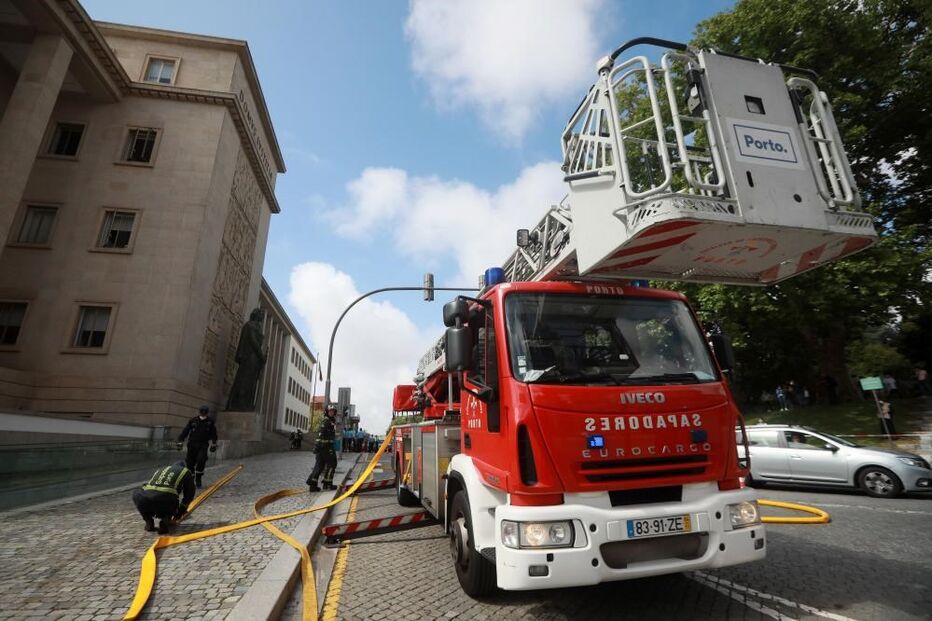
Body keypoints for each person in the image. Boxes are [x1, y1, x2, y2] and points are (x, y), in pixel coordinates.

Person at [132, 460, 195, 534]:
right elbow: (189, 495)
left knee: (138, 495)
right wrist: (179, 514)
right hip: (165, 500)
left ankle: (148, 520)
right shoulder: (186, 471)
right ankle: (165, 521)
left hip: (144, 499)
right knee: (171, 498)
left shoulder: (162, 469)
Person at [177, 405, 218, 488]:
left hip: (203, 444)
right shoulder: (193, 420)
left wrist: (214, 443)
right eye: (202, 411)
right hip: (192, 444)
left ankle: (198, 479)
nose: (203, 413)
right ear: (199, 411)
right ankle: (191, 481)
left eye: (205, 412)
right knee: (190, 462)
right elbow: (186, 431)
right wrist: (180, 440)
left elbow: (213, 433)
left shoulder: (210, 422)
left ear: (207, 412)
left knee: (201, 459)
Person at [306, 405, 338, 492]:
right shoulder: (326, 421)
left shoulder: (330, 421)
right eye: (330, 411)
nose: (331, 412)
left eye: (333, 411)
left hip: (323, 448)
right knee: (332, 464)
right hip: (326, 448)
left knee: (319, 466)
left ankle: (313, 485)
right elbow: (320, 434)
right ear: (327, 412)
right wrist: (317, 446)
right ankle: (327, 484)